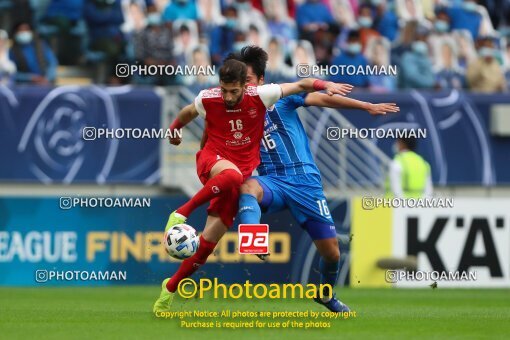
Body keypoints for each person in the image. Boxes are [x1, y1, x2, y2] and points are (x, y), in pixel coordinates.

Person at [153, 56, 354, 313]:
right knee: (237, 178)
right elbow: (188, 111)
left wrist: (323, 83)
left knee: (205, 246)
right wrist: (174, 129)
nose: (227, 97)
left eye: (233, 91)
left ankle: (168, 289)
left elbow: (301, 86)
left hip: (237, 174)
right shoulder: (209, 96)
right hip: (215, 161)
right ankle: (181, 212)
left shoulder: (261, 95)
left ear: (245, 86)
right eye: (224, 90)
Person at [231, 46, 399, 312]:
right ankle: (252, 237)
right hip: (272, 181)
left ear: (261, 80)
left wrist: (366, 106)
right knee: (247, 186)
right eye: (240, 81)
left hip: (305, 182)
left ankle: (325, 294)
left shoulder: (280, 97)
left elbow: (324, 100)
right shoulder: (234, 112)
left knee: (331, 252)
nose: (243, 86)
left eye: (248, 80)